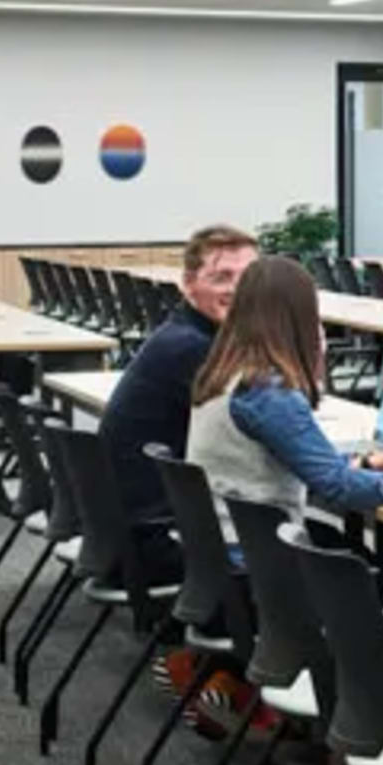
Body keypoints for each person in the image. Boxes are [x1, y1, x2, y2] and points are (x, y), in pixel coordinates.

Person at [184, 256, 383, 612]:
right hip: (262, 575)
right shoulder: (267, 393)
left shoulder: (221, 375)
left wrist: (370, 461)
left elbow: (296, 459)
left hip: (230, 559)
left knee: (353, 550)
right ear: (298, 320)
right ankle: (355, 666)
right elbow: (338, 487)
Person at [101, 224, 255, 579]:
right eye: (221, 277)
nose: (236, 289)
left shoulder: (185, 333)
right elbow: (266, 441)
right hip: (159, 541)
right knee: (325, 555)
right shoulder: (193, 349)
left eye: (248, 278)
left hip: (136, 530)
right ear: (188, 284)